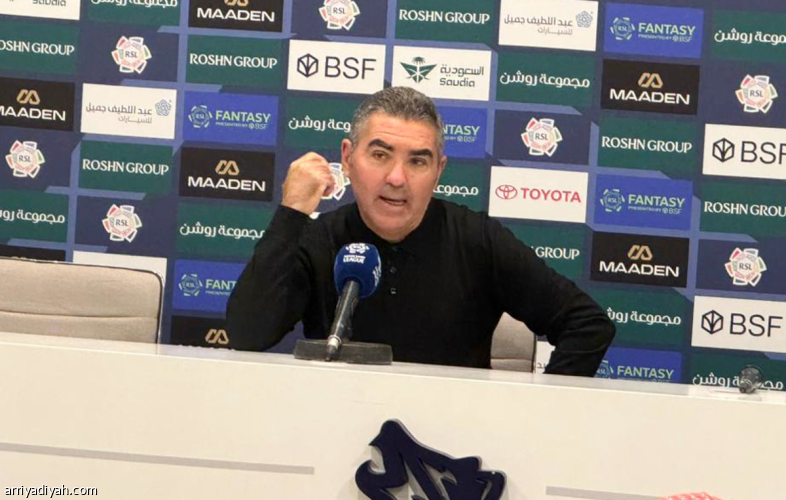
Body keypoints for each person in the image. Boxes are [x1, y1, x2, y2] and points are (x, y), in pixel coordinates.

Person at [226, 87, 614, 376]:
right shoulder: (319, 239)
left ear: (439, 171)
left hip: (450, 449)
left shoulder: (476, 239)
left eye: (417, 161)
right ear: (347, 158)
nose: (397, 178)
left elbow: (587, 325)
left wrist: (533, 416)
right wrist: (292, 212)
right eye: (380, 155)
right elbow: (247, 335)